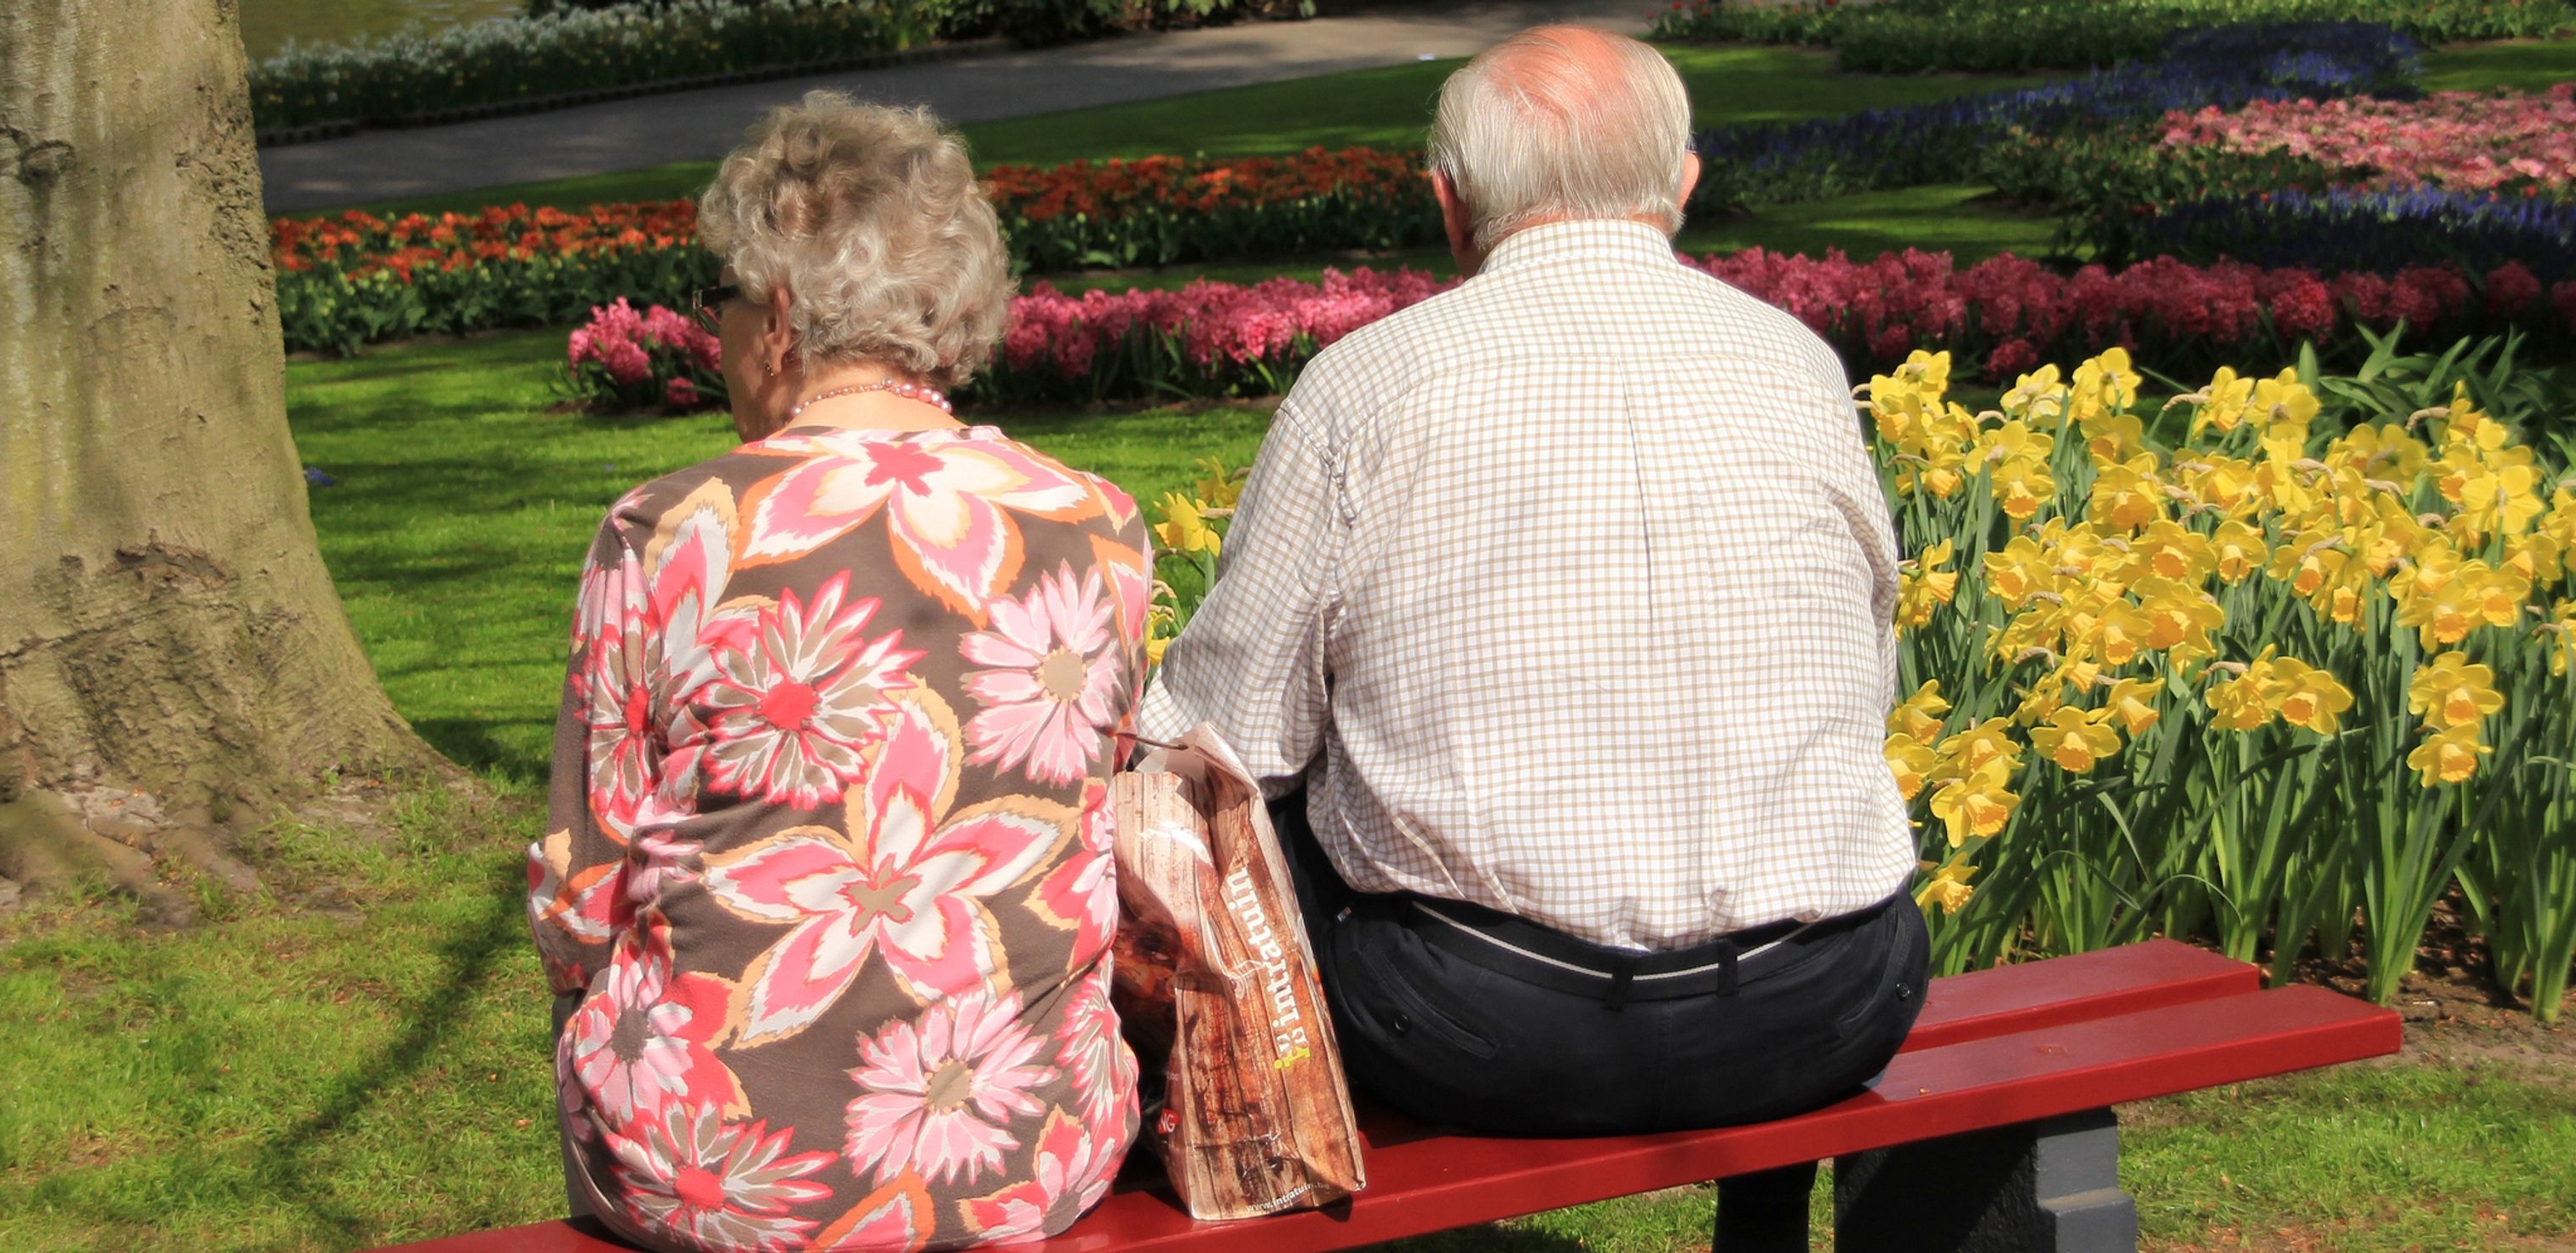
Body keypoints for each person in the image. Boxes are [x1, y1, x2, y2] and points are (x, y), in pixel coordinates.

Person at [1133, 26, 1928, 1250]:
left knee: (1250, 804)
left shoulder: (1366, 387)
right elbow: (1866, 677)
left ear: (1449, 205)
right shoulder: (1801, 366)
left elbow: (1220, 738)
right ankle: (1763, 1222)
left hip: (1478, 1027)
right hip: (1821, 1005)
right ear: (1683, 187)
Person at [528, 91, 1152, 1253]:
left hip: (718, 1175)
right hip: (1026, 1149)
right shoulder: (1097, 522)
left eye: (716, 302)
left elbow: (580, 899)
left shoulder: (668, 532)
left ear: (775, 313)